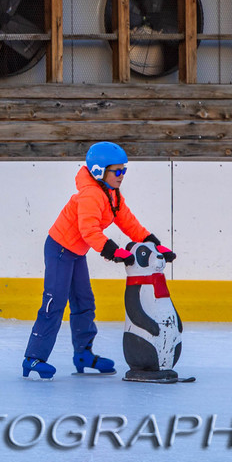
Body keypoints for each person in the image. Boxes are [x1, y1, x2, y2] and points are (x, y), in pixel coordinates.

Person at [22, 141, 176, 379]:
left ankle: (83, 354)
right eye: (117, 171)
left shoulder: (111, 194)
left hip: (76, 252)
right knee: (55, 302)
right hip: (60, 249)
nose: (122, 175)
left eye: (124, 170)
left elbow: (128, 222)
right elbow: (89, 231)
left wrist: (154, 243)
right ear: (98, 171)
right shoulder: (91, 195)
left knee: (84, 302)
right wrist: (114, 251)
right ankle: (33, 358)